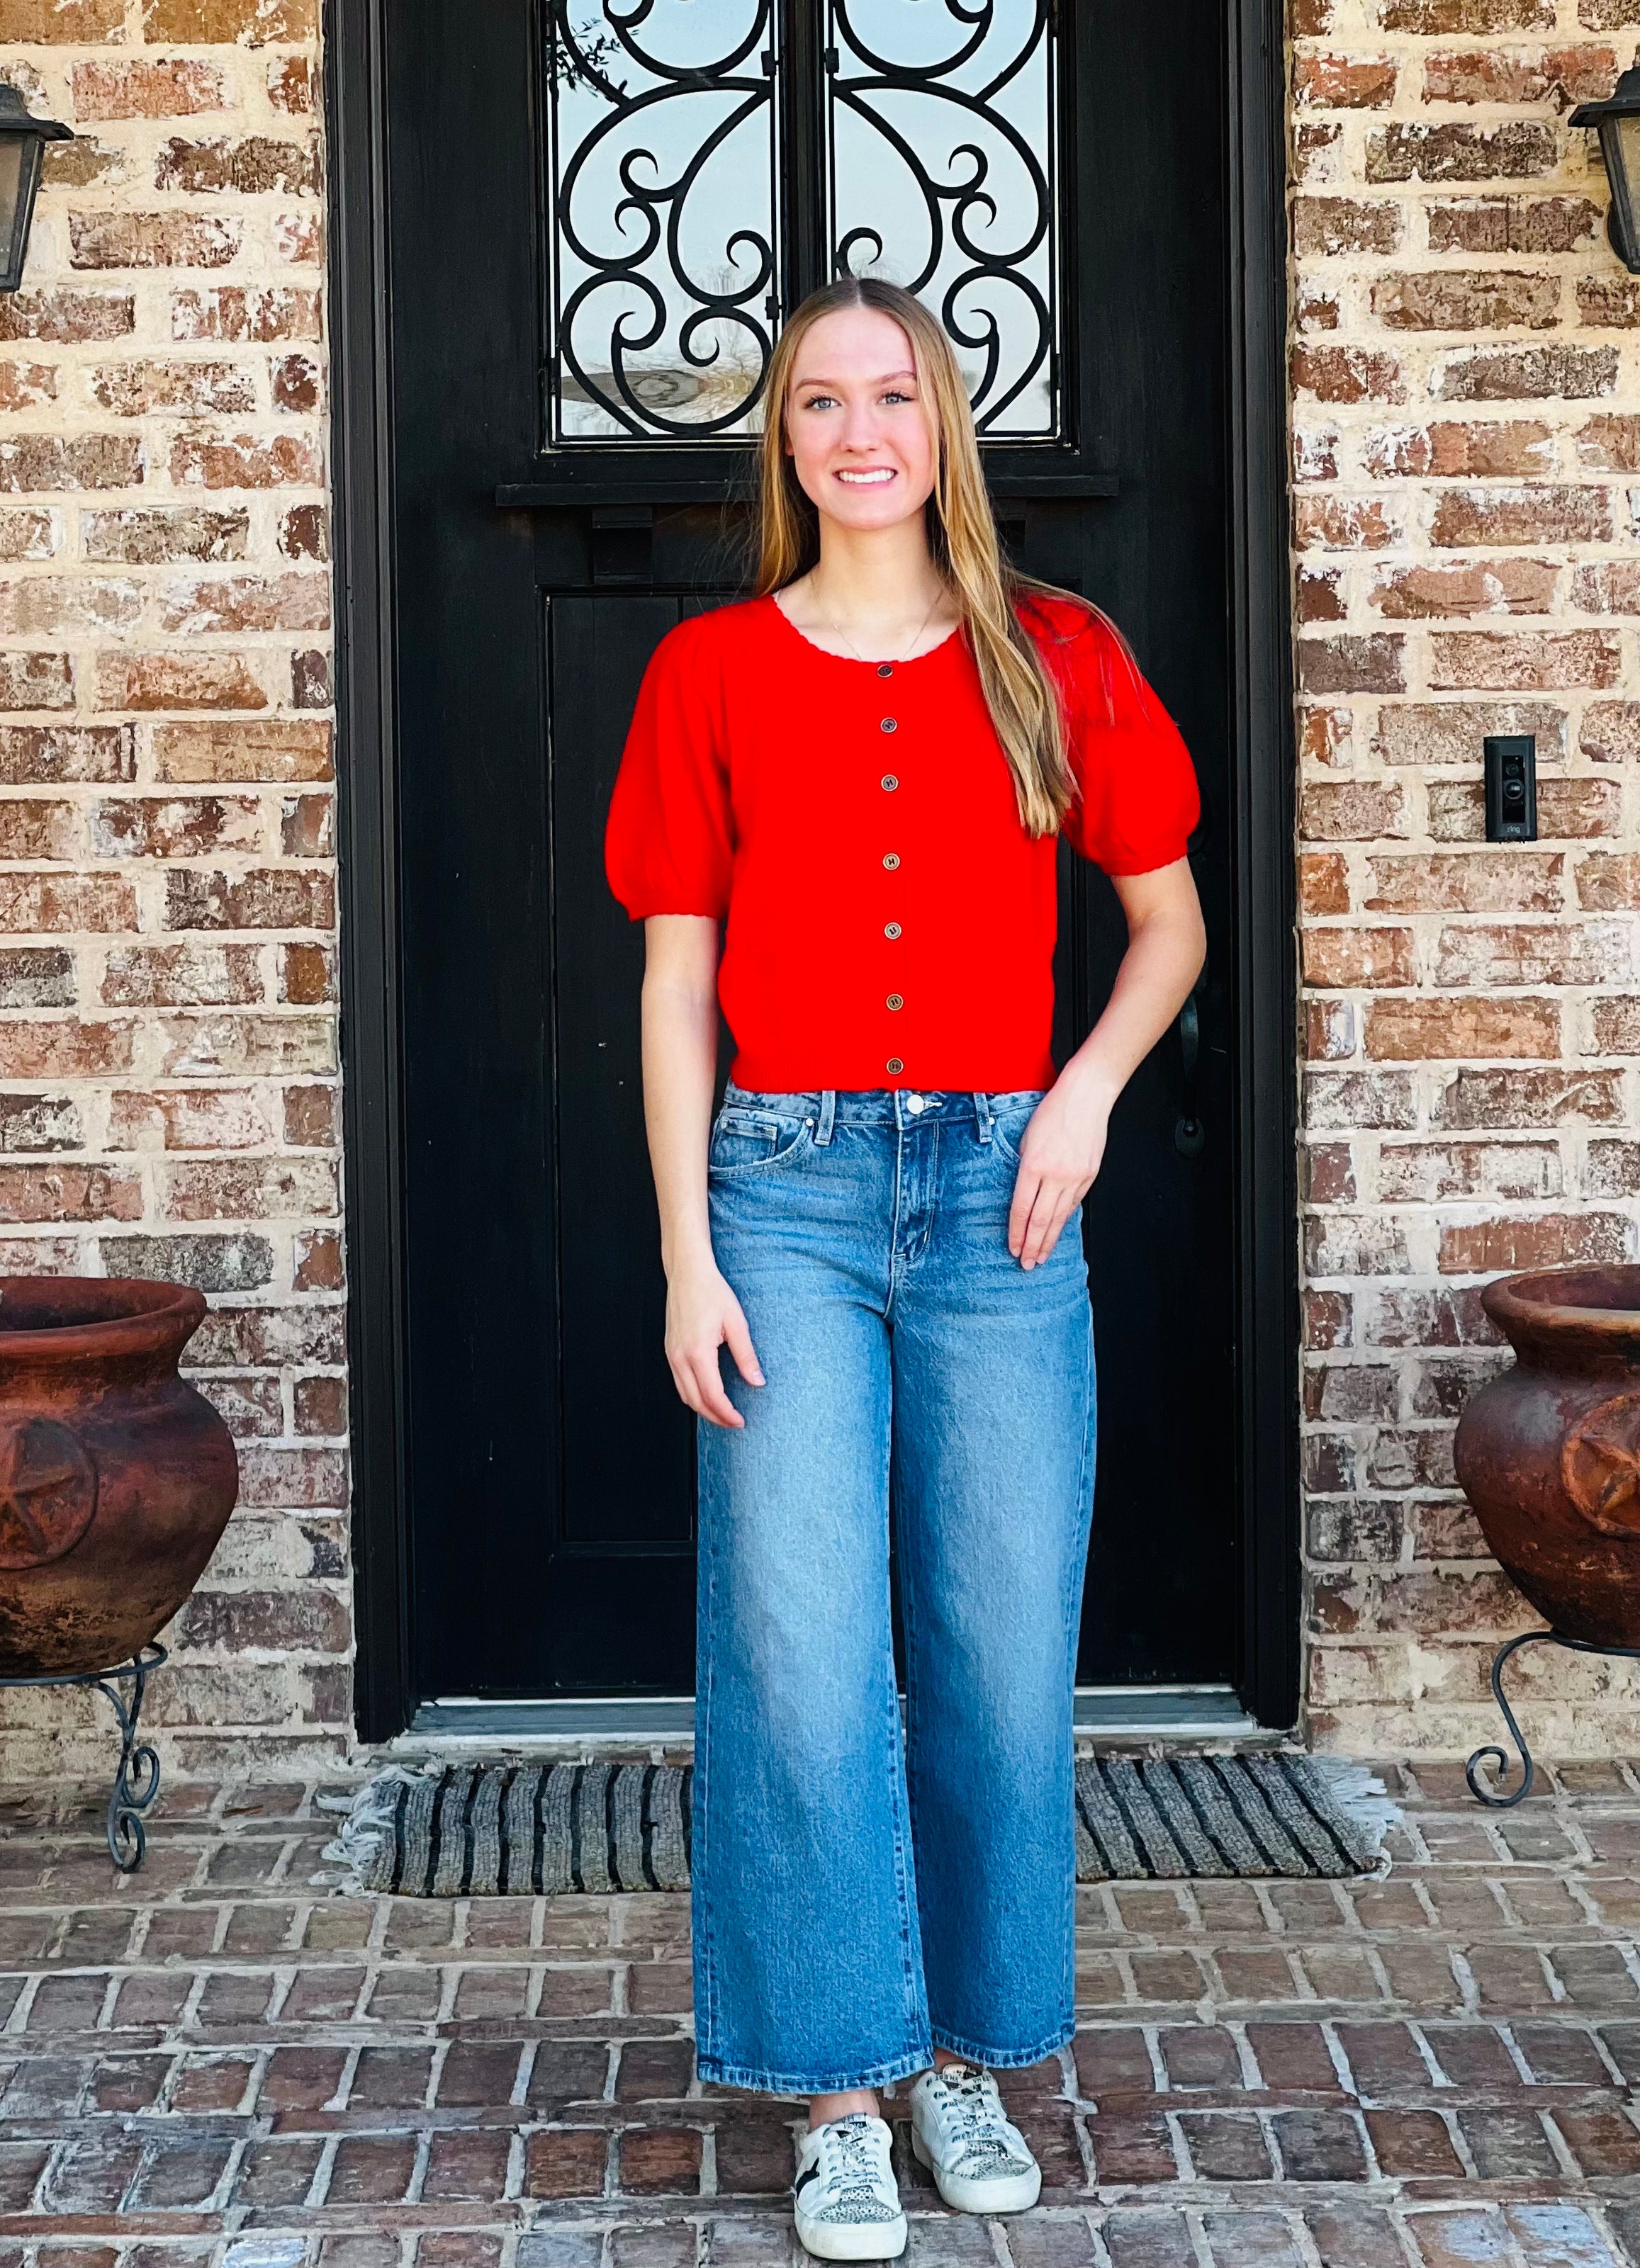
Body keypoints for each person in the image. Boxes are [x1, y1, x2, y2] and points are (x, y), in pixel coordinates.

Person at [604, 277, 1206, 2262]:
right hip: (778, 1187)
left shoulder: (1061, 656)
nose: (859, 431)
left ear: (946, 424)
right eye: (818, 402)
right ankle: (839, 2087)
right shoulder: (707, 671)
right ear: (781, 440)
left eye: (893, 396)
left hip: (996, 1196)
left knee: (1000, 1644)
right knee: (795, 1648)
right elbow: (677, 977)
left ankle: (963, 2051)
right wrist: (690, 1247)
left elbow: (1169, 924)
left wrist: (1084, 1094)